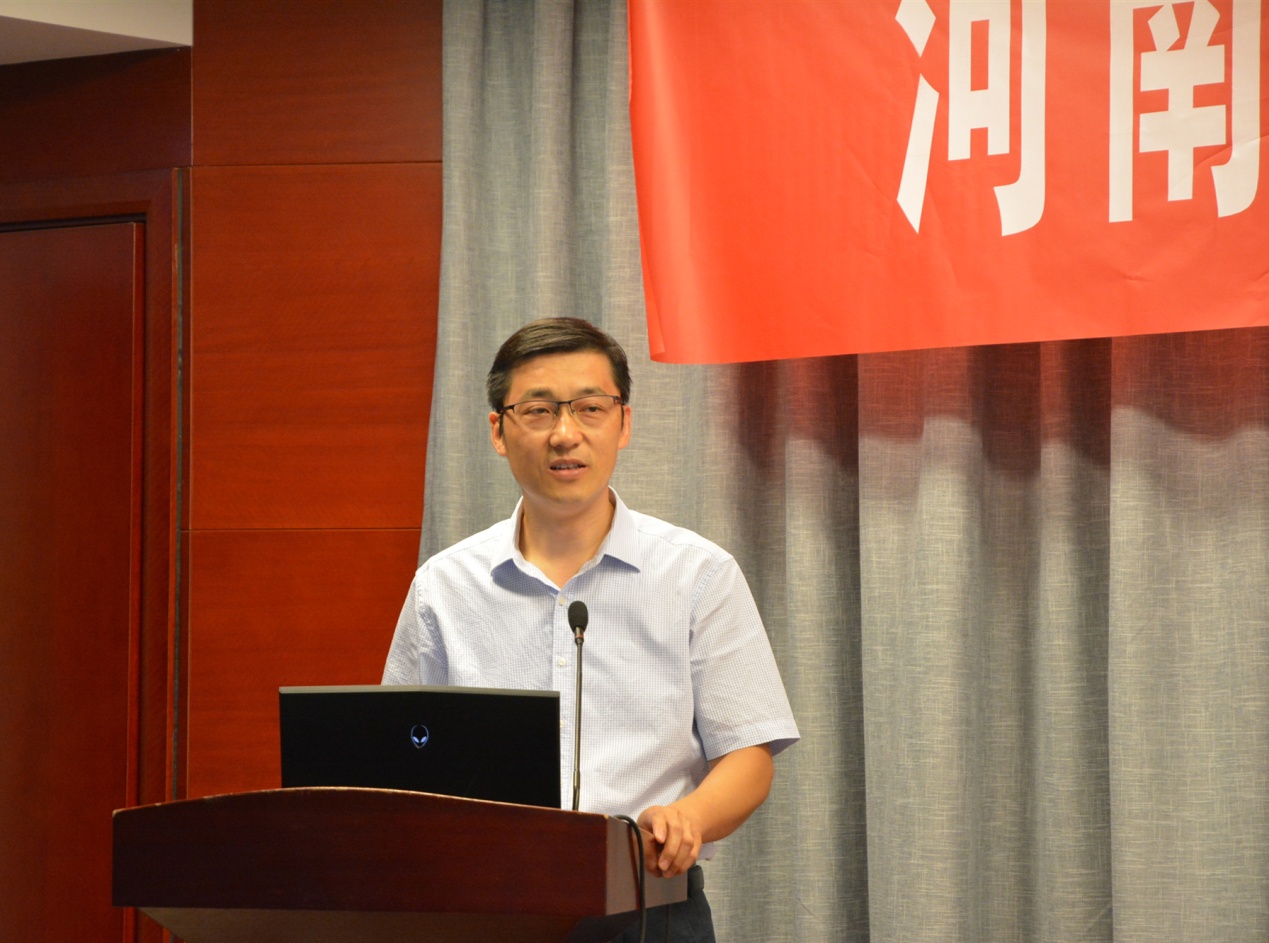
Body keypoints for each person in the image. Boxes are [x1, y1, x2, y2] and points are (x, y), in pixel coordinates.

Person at [382, 317, 799, 942]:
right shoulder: (444, 587)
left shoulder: (697, 574)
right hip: (486, 910)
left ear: (623, 423)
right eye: (538, 410)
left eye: (590, 408)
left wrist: (687, 818)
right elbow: (399, 757)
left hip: (649, 908)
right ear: (498, 431)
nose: (565, 433)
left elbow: (749, 753)